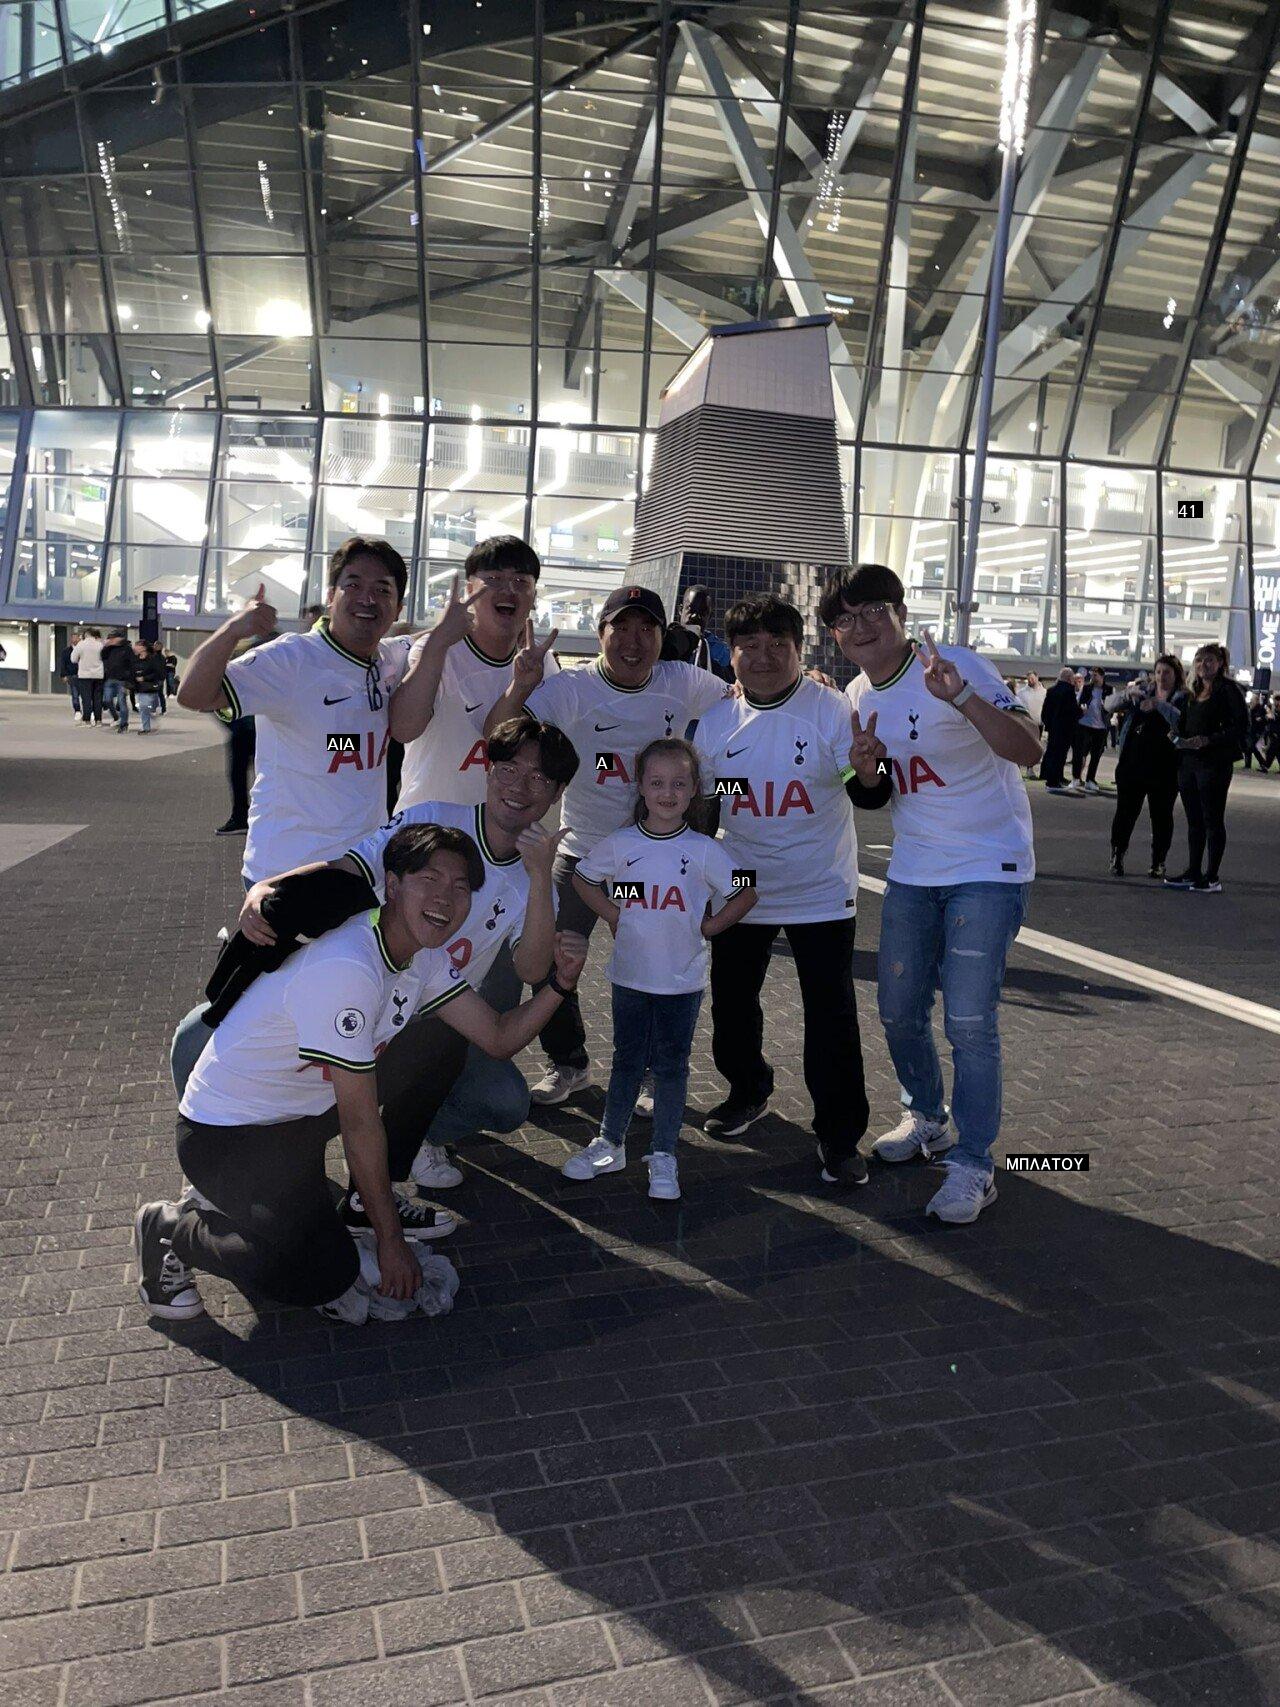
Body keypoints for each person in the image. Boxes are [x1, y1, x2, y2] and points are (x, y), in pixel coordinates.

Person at [136, 823, 589, 1325]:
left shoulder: (424, 955)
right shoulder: (348, 965)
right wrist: (392, 1241)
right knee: (319, 1275)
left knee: (438, 1041)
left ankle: (351, 1203)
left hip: (298, 1122)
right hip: (228, 1136)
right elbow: (358, 1121)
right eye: (429, 879)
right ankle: (173, 1228)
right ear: (392, 884)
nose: (446, 896)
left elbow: (499, 1036)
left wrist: (560, 985)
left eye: (461, 887)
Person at [219, 715, 579, 1192]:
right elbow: (350, 866)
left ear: (556, 794)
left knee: (504, 1101)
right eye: (510, 768)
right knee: (316, 1086)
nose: (520, 786)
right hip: (365, 998)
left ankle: (417, 1137)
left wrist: (538, 878)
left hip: (438, 1013)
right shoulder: (431, 818)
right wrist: (271, 884)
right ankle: (314, 1165)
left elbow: (531, 968)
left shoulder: (536, 874)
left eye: (541, 778)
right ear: (487, 770)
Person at [828, 563, 1041, 1225]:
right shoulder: (858, 694)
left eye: (872, 611)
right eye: (846, 618)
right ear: (836, 635)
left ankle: (974, 1163)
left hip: (988, 865)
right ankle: (928, 1115)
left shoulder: (958, 667)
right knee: (897, 1009)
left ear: (900, 613)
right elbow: (875, 791)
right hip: (915, 872)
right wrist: (863, 771)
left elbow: (1029, 750)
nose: (860, 627)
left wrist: (962, 700)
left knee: (971, 1022)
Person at [485, 584, 731, 1108]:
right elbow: (502, 735)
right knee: (549, 957)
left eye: (648, 629)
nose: (634, 641)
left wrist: (806, 684)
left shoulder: (680, 681)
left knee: (653, 966)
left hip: (655, 859)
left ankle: (650, 1071)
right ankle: (568, 1063)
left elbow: (741, 701)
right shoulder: (572, 689)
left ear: (664, 637)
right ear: (601, 634)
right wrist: (521, 685)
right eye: (622, 627)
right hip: (580, 855)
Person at [692, 592, 891, 1186]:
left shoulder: (829, 710)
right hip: (744, 884)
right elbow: (702, 809)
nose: (763, 656)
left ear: (800, 651)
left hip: (819, 886)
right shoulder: (716, 719)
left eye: (779, 645)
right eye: (750, 645)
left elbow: (868, 793)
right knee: (730, 1004)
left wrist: (869, 767)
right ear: (731, 655)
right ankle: (747, 1089)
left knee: (830, 1017)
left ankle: (838, 1137)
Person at [177, 538, 460, 885]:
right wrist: (234, 629)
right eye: (353, 585)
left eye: (382, 590)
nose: (367, 599)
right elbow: (193, 694)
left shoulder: (390, 658)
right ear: (331, 596)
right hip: (286, 870)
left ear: (398, 607)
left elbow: (337, 743)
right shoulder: (291, 659)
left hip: (362, 865)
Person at [563, 738, 757, 1200]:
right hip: (629, 976)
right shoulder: (622, 843)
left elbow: (746, 889)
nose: (667, 792)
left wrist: (710, 926)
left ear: (694, 791)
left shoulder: (705, 849)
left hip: (681, 981)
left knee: (671, 1067)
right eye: (657, 783)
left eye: (678, 784)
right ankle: (610, 1142)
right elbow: (583, 877)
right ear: (641, 787)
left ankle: (664, 1152)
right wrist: (612, 914)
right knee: (627, 1061)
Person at [394, 535, 554, 812]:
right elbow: (404, 729)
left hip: (495, 836)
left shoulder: (543, 664)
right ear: (469, 589)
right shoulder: (438, 649)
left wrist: (521, 687)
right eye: (493, 580)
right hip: (426, 827)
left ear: (534, 596)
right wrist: (437, 643)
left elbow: (505, 746)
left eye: (520, 582)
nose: (508, 590)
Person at [1165, 642, 1248, 894]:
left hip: (1214, 763)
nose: (1203, 665)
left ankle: (1212, 876)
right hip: (1189, 762)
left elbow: (1240, 728)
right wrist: (1177, 735)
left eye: (1209, 660)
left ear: (1221, 663)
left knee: (1212, 819)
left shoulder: (1229, 690)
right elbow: (1184, 722)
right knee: (1194, 821)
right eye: (1200, 661)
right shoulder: (1192, 691)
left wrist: (1210, 740)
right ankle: (1193, 870)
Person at [1105, 656, 1185, 879]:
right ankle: (1117, 855)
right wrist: (1126, 694)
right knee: (1125, 813)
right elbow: (1108, 705)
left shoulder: (1182, 698)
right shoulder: (1142, 691)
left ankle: (1158, 861)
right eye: (1158, 672)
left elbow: (1183, 723)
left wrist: (1159, 705)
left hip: (1165, 768)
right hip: (1133, 764)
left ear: (1176, 675)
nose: (1161, 677)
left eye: (1167, 672)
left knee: (1161, 816)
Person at [1067, 665, 1108, 793]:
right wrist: (1081, 710)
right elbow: (1078, 702)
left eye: (1095, 675)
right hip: (1084, 724)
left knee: (1096, 755)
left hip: (1100, 727)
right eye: (1091, 675)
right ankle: (1075, 778)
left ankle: (1090, 780)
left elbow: (1113, 706)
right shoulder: (1086, 688)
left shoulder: (1109, 690)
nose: (1092, 677)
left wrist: (1106, 707)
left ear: (1101, 676)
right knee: (1078, 753)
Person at [1039, 667, 1080, 791]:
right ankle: (1054, 781)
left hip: (1053, 728)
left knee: (1052, 752)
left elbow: (1045, 711)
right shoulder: (1069, 691)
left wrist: (1049, 725)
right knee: (1060, 755)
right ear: (1069, 678)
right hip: (1065, 728)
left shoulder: (1051, 690)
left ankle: (1055, 777)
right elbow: (1072, 711)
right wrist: (1081, 712)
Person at [101, 629, 135, 734]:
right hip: (110, 678)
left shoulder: (127, 649)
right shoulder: (110, 649)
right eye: (110, 638)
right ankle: (116, 718)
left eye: (113, 638)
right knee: (107, 700)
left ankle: (124, 724)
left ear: (120, 638)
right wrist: (106, 646)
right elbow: (103, 656)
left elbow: (132, 665)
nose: (112, 640)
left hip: (122, 680)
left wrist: (129, 682)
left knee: (122, 702)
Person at [132, 639, 168, 734]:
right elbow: (132, 672)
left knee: (146, 707)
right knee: (143, 707)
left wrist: (145, 678)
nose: (135, 647)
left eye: (137, 645)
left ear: (143, 648)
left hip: (150, 686)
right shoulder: (135, 659)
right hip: (139, 688)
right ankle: (148, 725)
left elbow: (158, 673)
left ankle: (147, 725)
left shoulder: (152, 659)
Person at [71, 627, 105, 726]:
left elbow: (73, 659)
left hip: (84, 675)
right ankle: (98, 720)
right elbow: (104, 658)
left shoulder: (81, 644)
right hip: (98, 675)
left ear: (86, 634)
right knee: (97, 698)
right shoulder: (100, 645)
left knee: (86, 698)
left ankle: (87, 720)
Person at [59, 630, 82, 720]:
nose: (75, 639)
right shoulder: (66, 651)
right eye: (73, 637)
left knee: (85, 694)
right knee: (75, 694)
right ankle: (77, 711)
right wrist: (63, 675)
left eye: (76, 637)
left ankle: (89, 711)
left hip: (84, 675)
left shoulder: (83, 649)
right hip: (72, 675)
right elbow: (63, 663)